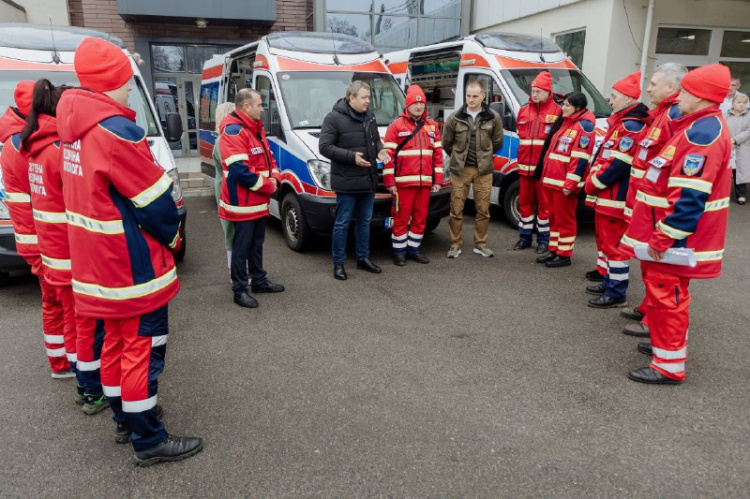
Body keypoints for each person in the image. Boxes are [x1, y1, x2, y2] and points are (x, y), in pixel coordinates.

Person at [58, 37, 202, 465]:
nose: (127, 92)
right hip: (131, 266)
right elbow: (157, 202)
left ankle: (124, 419)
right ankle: (149, 440)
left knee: (115, 349)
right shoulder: (115, 131)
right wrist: (174, 235)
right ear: (112, 83)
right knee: (141, 350)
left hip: (97, 267)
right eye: (125, 82)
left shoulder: (72, 129)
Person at [621, 64, 732, 384]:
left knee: (669, 299)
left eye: (685, 91)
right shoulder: (697, 125)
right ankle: (663, 349)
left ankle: (668, 366)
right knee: (664, 297)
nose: (678, 95)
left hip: (673, 239)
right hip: (668, 233)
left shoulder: (703, 132)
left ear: (699, 97)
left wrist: (663, 237)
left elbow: (689, 196)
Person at [22, 79, 108, 414]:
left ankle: (82, 383)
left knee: (73, 322)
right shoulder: (58, 151)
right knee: (86, 325)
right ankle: (91, 391)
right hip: (70, 253)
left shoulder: (36, 149)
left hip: (51, 252)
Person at [0, 81, 75, 379]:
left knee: (52, 303)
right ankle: (72, 364)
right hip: (47, 240)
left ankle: (58, 361)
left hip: (32, 238)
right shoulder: (30, 145)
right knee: (68, 306)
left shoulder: (14, 142)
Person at [620, 63, 687, 339]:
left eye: (654, 83)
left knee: (659, 268)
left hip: (658, 207)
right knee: (648, 264)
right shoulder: (660, 114)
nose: (647, 89)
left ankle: (653, 319)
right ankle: (649, 307)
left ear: (671, 87)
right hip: (645, 203)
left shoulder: (672, 114)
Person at [584, 71, 650, 308]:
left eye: (614, 96)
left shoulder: (630, 126)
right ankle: (608, 281)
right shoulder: (621, 123)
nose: (610, 101)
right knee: (605, 243)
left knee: (615, 248)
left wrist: (593, 184)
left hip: (615, 198)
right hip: (607, 197)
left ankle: (616, 292)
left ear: (629, 98)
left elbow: (620, 165)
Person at [219, 88, 284, 308]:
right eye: (259, 105)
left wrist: (275, 176)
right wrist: (268, 186)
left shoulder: (255, 128)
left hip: (256, 202)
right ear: (246, 107)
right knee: (242, 247)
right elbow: (240, 171)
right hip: (243, 204)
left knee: (256, 244)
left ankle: (258, 281)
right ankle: (239, 290)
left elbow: (268, 157)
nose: (262, 108)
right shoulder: (234, 131)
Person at [319, 80, 390, 280]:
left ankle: (362, 258)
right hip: (347, 181)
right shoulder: (333, 118)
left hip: (368, 180)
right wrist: (352, 157)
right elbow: (324, 147)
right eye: (364, 97)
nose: (368, 101)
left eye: (369, 97)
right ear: (351, 98)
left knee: (364, 222)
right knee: (342, 223)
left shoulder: (369, 116)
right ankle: (339, 264)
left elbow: (375, 140)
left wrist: (381, 151)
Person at [382, 85, 443, 265]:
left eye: (422, 104)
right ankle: (399, 252)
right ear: (407, 106)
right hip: (402, 185)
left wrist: (438, 180)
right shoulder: (396, 126)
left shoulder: (432, 126)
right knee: (401, 217)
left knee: (420, 217)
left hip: (424, 184)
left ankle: (414, 250)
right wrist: (389, 181)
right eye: (415, 104)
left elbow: (438, 156)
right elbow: (387, 157)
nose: (418, 107)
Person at [442, 79, 504, 258]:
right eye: (468, 96)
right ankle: (455, 244)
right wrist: (458, 158)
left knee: (483, 209)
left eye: (475, 96)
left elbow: (498, 142)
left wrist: (484, 157)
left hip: (483, 171)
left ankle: (481, 244)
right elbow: (447, 143)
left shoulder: (493, 117)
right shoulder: (455, 118)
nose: (471, 99)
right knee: (456, 209)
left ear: (483, 96)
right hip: (460, 171)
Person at [536, 91, 596, 268]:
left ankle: (564, 254)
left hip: (564, 184)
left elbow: (580, 159)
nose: (563, 108)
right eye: (564, 104)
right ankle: (554, 250)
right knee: (553, 218)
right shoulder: (566, 122)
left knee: (565, 220)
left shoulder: (584, 127)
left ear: (577, 107)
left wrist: (571, 184)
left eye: (567, 105)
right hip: (553, 181)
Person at [513, 71, 561, 254]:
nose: (535, 94)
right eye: (533, 90)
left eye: (539, 91)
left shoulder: (557, 111)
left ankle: (543, 241)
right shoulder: (524, 110)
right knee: (524, 204)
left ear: (548, 91)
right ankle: (524, 238)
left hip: (544, 170)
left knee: (544, 207)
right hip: (525, 168)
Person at [212, 102, 236, 268]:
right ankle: (234, 272)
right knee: (231, 233)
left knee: (234, 233)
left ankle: (238, 270)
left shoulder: (223, 138)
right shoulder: (223, 140)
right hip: (226, 192)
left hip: (226, 189)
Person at [726, 92, 750, 204]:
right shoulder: (726, 115)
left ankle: (741, 195)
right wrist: (728, 141)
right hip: (728, 146)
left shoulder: (749, 115)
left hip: (743, 147)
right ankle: (724, 193)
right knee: (726, 170)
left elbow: (748, 131)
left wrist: (735, 140)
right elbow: (722, 129)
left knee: (740, 171)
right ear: (733, 103)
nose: (741, 105)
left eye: (744, 103)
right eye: (739, 102)